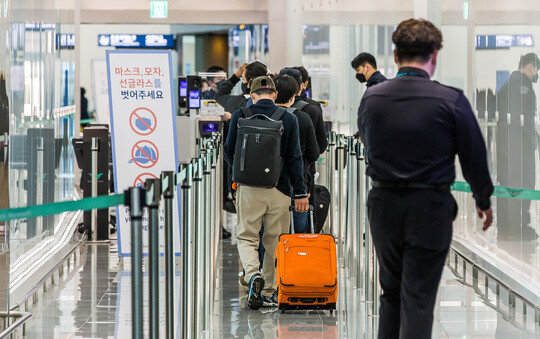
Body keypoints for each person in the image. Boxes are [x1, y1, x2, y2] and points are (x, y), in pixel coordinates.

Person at [358, 19, 494, 338]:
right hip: (430, 207)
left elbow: (367, 140)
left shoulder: (373, 98)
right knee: (418, 297)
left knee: (390, 292)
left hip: (384, 204)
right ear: (434, 55)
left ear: (395, 56)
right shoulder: (451, 100)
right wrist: (483, 200)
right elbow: (474, 154)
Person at [224, 75, 309, 309]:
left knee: (247, 236)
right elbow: (295, 159)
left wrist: (237, 179)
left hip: (249, 188)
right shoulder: (288, 118)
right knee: (275, 241)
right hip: (279, 189)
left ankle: (253, 276)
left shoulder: (241, 115)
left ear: (252, 95)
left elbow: (229, 151)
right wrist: (300, 192)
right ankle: (270, 290)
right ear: (274, 94)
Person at [496, 53, 539, 242]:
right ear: (530, 66)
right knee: (524, 183)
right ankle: (518, 227)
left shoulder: (506, 84)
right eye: (536, 69)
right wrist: (532, 140)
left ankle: (506, 226)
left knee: (508, 182)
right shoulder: (523, 85)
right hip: (519, 147)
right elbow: (523, 119)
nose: (537, 73)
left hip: (508, 146)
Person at [274, 73, 319, 233]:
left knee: (268, 235)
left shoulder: (264, 117)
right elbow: (314, 153)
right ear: (294, 96)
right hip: (297, 183)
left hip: (270, 182)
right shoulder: (303, 118)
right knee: (297, 232)